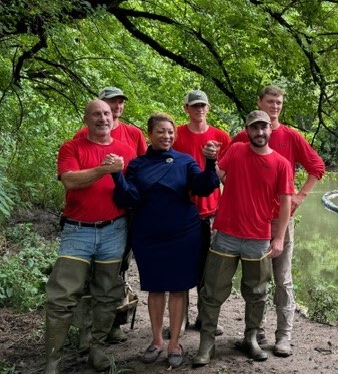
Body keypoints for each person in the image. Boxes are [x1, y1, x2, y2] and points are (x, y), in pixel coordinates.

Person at [111, 112, 220, 369]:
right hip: (149, 234)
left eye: (170, 132)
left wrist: (210, 162)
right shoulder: (137, 165)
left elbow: (204, 186)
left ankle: (175, 343)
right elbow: (129, 198)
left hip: (184, 233)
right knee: (156, 287)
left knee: (180, 287)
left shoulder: (185, 161)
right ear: (150, 134)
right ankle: (157, 341)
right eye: (161, 131)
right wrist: (117, 176)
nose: (167, 136)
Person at [192, 110, 294, 367]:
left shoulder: (281, 163)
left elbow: (285, 204)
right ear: (247, 130)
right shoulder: (236, 150)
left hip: (259, 238)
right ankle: (207, 343)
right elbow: (219, 175)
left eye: (264, 127)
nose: (259, 132)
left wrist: (279, 239)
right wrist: (210, 159)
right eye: (254, 128)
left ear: (270, 129)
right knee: (212, 290)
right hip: (225, 234)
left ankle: (251, 338)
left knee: (257, 292)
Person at [230, 85, 325, 357]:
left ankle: (284, 336)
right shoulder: (243, 137)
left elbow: (317, 167)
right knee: (254, 280)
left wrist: (300, 196)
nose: (274, 106)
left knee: (282, 280)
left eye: (279, 102)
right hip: (252, 223)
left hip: (281, 221)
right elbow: (226, 169)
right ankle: (255, 334)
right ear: (259, 101)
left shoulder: (291, 137)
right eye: (270, 101)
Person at [44, 100, 136, 374]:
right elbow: (70, 180)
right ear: (86, 119)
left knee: (107, 294)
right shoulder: (72, 147)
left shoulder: (125, 150)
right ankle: (53, 360)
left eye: (107, 113)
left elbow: (132, 189)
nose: (103, 118)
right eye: (96, 114)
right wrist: (103, 170)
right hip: (77, 230)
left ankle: (96, 348)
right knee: (62, 295)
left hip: (114, 229)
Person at [73, 86, 146, 349]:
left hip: (122, 216)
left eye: (119, 103)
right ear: (98, 107)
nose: (116, 108)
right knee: (87, 275)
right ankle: (86, 332)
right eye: (110, 103)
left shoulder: (133, 134)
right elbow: (76, 173)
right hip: (87, 217)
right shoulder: (83, 135)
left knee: (117, 272)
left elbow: (141, 171)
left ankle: (113, 325)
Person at [172, 89, 231, 332]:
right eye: (194, 105)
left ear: (208, 108)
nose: (199, 109)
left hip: (211, 212)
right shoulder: (175, 135)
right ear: (186, 108)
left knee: (209, 269)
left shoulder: (221, 137)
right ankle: (181, 318)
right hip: (181, 211)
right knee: (182, 266)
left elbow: (229, 174)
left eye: (203, 105)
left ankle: (205, 318)